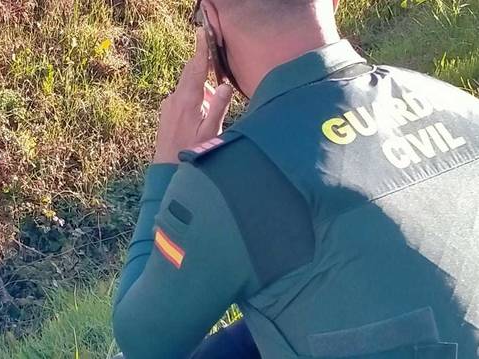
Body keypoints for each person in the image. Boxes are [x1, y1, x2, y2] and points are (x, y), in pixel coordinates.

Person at [112, 0, 479, 358]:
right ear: (335, 3)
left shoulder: (234, 177)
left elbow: (144, 342)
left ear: (211, 25)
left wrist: (167, 168)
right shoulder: (457, 104)